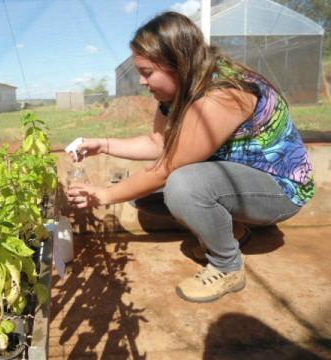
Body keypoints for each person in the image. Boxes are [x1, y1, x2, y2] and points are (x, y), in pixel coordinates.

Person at [66, 11, 315, 303]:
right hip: (236, 179)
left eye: (147, 72)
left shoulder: (224, 93)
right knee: (144, 193)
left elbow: (167, 167)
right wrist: (103, 144)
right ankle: (234, 231)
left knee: (183, 185)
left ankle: (228, 267)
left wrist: (104, 195)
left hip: (278, 189)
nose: (143, 82)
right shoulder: (175, 96)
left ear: (177, 63)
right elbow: (158, 142)